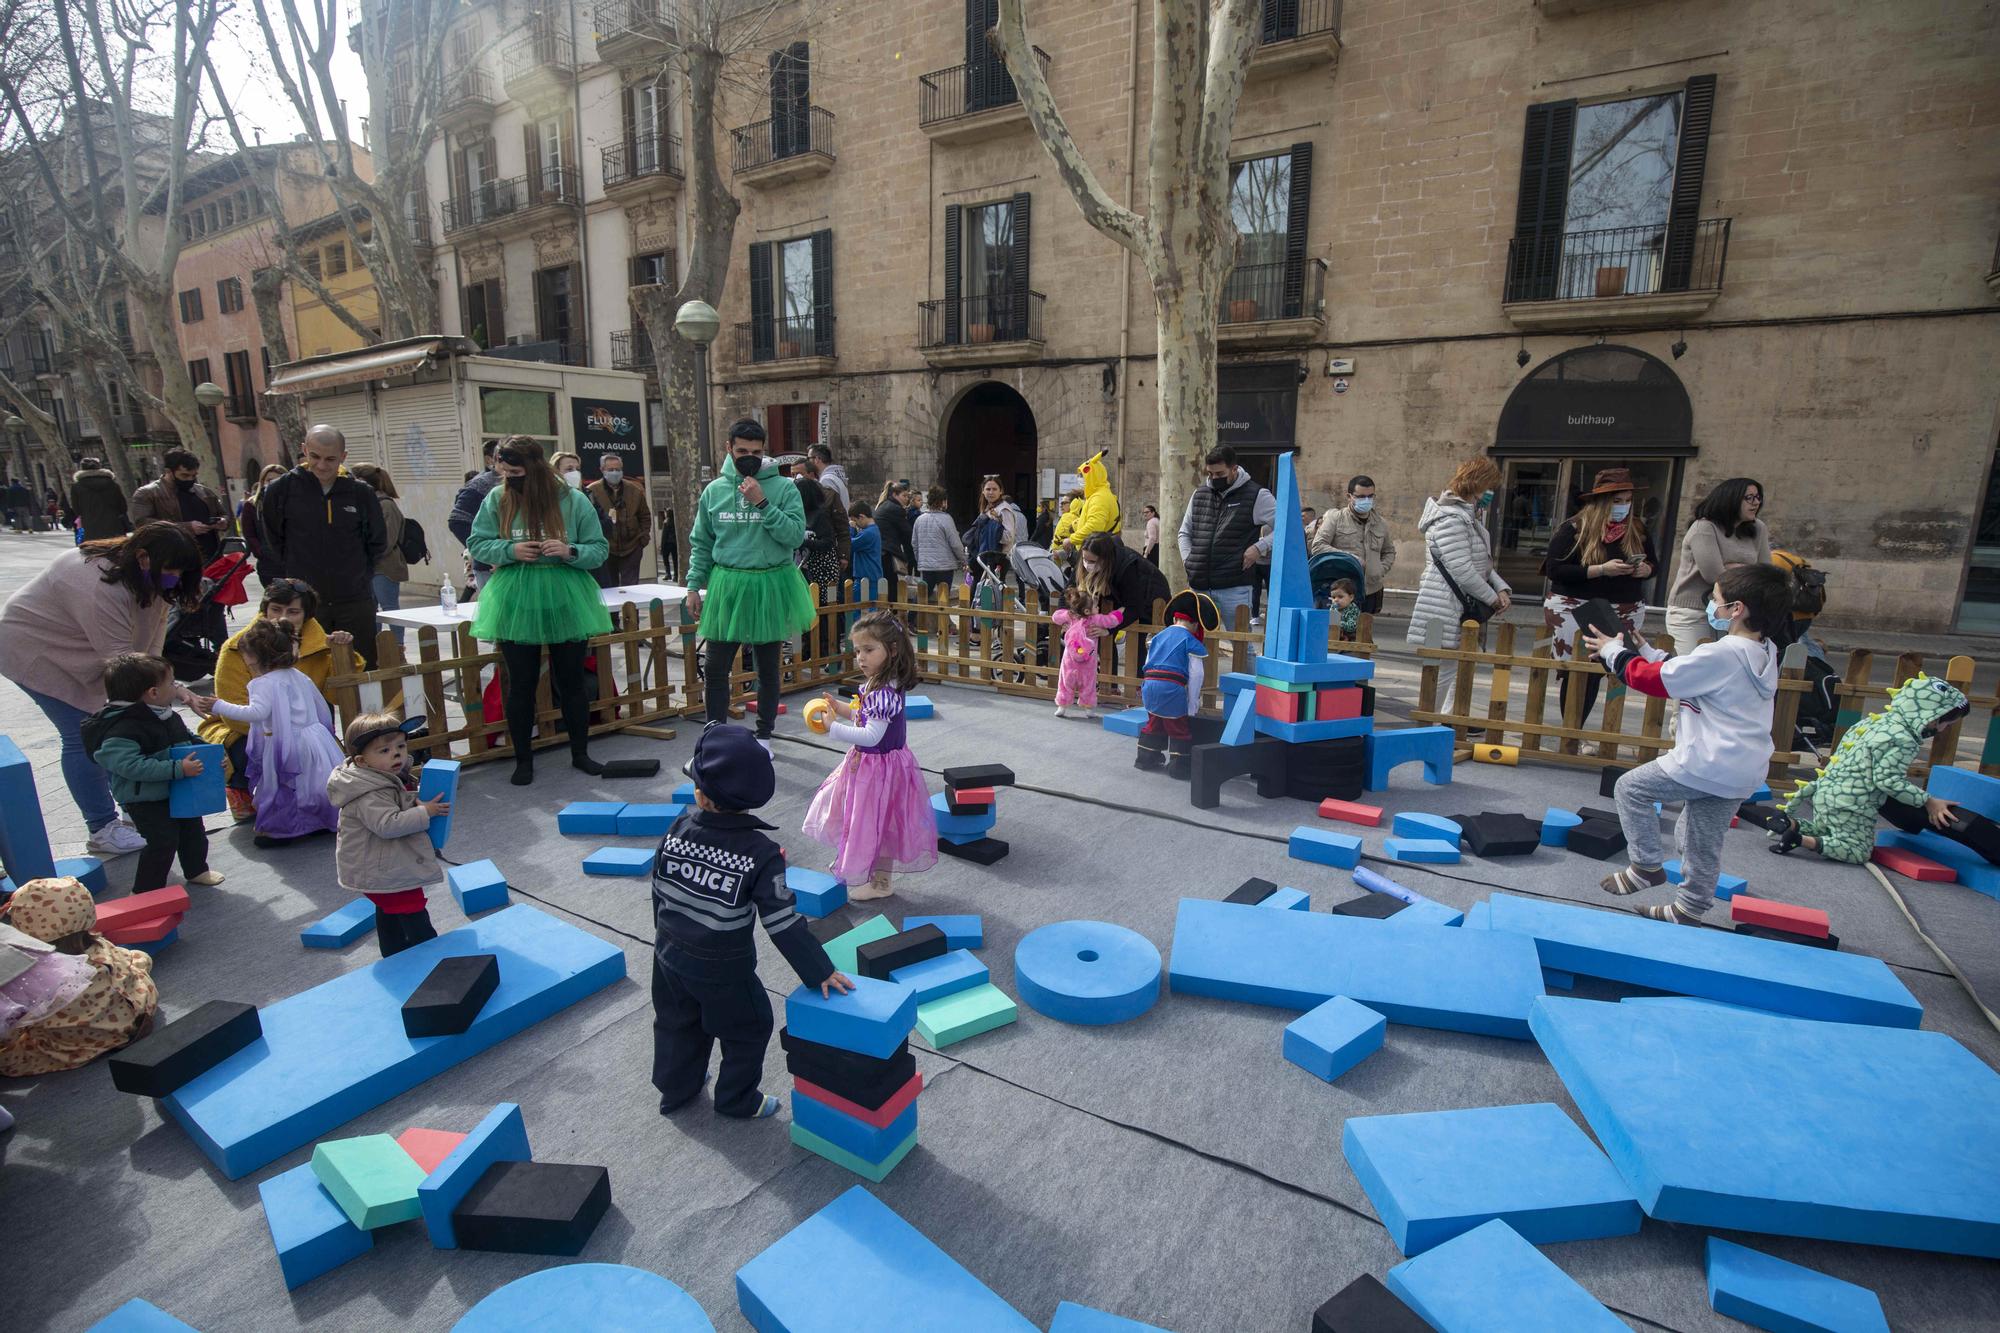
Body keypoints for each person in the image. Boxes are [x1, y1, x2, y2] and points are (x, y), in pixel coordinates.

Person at [652, 724, 854, 1118]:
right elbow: (782, 923)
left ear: (699, 795)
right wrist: (820, 970)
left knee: (676, 1025)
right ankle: (735, 1099)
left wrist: (666, 940)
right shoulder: (760, 854)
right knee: (749, 1028)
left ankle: (676, 1090)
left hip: (669, 958)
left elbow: (659, 891)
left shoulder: (675, 831)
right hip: (724, 970)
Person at [1584, 563, 1792, 925]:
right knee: (1699, 839)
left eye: (1716, 601)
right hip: (1742, 769)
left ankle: (1646, 866)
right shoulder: (1765, 650)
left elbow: (1657, 682)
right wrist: (1647, 652)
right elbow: (1689, 674)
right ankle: (1690, 909)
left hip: (1707, 761)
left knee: (1630, 789)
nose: (1712, 607)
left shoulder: (1724, 652)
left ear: (1737, 609)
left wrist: (1612, 653)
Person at [0, 524, 203, 858]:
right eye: (170, 569)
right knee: (86, 735)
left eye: (182, 571)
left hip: (88, 650)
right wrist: (173, 691)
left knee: (129, 721)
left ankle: (135, 807)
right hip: (35, 651)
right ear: (142, 558)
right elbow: (124, 662)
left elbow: (151, 646)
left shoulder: (149, 576)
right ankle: (102, 827)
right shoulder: (95, 586)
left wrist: (165, 683)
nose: (175, 577)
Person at [467, 437, 613, 784]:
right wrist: (510, 550)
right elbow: (477, 542)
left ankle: (580, 753)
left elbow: (599, 549)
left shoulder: (573, 500)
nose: (510, 478)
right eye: (504, 472)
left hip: (565, 594)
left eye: (516, 472)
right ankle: (524, 760)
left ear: (535, 467)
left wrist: (569, 550)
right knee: (520, 683)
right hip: (517, 597)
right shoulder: (497, 498)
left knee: (572, 680)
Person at [1760, 674, 1996, 865]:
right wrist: (1928, 801)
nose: (1943, 730)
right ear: (1931, 717)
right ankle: (1800, 839)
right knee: (1857, 851)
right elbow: (1888, 781)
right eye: (1946, 723)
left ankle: (1791, 824)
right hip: (1854, 802)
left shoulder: (1872, 722)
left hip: (1828, 791)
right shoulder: (1903, 738)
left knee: (1827, 829)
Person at [681, 422, 817, 744]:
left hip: (769, 584)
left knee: (767, 670)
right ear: (729, 448)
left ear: (764, 450)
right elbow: (701, 543)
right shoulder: (714, 491)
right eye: (742, 451)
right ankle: (714, 736)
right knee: (715, 669)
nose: (749, 457)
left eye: (756, 452)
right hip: (727, 584)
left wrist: (762, 503)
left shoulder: (784, 489)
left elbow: (795, 536)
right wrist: (692, 586)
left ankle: (764, 736)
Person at [803, 611, 938, 900]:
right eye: (857, 651)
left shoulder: (882, 693)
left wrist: (834, 728)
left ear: (892, 650)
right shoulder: (883, 684)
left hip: (878, 769)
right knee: (878, 822)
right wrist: (843, 710)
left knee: (875, 823)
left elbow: (871, 735)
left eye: (868, 650)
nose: (861, 658)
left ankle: (879, 883)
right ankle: (877, 878)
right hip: (879, 765)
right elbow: (867, 719)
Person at [199, 579, 352, 824]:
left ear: (306, 616)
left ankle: (297, 818)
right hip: (250, 730)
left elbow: (333, 698)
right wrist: (285, 734)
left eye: (293, 611)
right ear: (265, 610)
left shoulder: (319, 647)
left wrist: (340, 653)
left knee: (305, 771)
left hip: (299, 730)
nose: (282, 617)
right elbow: (239, 713)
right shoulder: (240, 646)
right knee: (261, 757)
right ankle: (240, 788)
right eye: (276, 609)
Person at [81, 654, 223, 892]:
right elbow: (130, 766)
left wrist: (211, 755)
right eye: (172, 683)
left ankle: (197, 869)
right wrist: (177, 769)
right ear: (153, 692)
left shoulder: (166, 714)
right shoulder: (122, 727)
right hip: (145, 799)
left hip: (178, 789)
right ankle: (147, 889)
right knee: (163, 842)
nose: (176, 688)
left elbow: (187, 739)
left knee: (193, 832)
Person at [0, 876, 158, 1077]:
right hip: (134, 1013)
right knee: (135, 960)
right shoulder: (98, 945)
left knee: (9, 1055)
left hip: (80, 1046)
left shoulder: (38, 978)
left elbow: (15, 1022)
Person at [258, 425, 388, 668]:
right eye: (314, 456)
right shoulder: (281, 491)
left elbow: (377, 541)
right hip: (303, 602)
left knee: (363, 668)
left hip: (354, 599)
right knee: (309, 671)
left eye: (330, 459)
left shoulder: (360, 493)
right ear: (304, 450)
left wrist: (358, 574)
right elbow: (273, 541)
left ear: (343, 457)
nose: (322, 465)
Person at [1542, 468, 1659, 729]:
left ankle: (1581, 729)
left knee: (1604, 670)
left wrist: (1645, 569)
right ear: (1601, 502)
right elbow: (1555, 570)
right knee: (1578, 672)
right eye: (1617, 501)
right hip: (1578, 606)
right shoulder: (1574, 528)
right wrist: (1601, 569)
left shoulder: (1637, 529)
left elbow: (1655, 564)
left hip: (1623, 606)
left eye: (1628, 500)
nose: (1624, 506)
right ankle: (1572, 728)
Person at [327, 712, 451, 957]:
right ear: (362, 761)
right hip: (382, 868)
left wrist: (413, 802)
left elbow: (395, 803)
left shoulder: (382, 777)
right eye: (384, 750)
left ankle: (394, 955)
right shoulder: (368, 793)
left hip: (383, 866)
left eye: (400, 746)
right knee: (412, 911)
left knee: (390, 911)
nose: (396, 754)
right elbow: (388, 824)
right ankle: (435, 958)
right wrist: (424, 813)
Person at [1409, 458, 1511, 701]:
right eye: (1488, 486)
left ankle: (1445, 721)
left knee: (1454, 668)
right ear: (1476, 483)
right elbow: (1461, 569)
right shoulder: (1451, 519)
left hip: (1456, 604)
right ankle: (1431, 725)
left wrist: (1501, 588)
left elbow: (1480, 563)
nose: (1490, 493)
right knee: (1442, 671)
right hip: (1444, 605)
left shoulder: (1466, 515)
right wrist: (1492, 598)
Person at [1666, 478, 1770, 652]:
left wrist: (1731, 567)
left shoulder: (1758, 528)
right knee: (1696, 671)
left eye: (1758, 497)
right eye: (1749, 498)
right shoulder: (1704, 527)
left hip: (1735, 614)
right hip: (1693, 612)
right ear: (1731, 499)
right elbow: (1714, 575)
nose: (1756, 503)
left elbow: (1766, 573)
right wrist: (1749, 570)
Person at [1179, 445, 1276, 628]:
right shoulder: (1199, 494)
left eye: (1220, 474)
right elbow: (1185, 532)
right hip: (1199, 584)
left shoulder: (1257, 495)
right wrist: (1188, 560)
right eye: (1210, 474)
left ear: (1234, 469)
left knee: (1241, 645)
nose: (1215, 478)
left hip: (1234, 586)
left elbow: (1287, 527)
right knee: (1197, 644)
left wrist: (1259, 547)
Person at [1135, 590, 1219, 778]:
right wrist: (1192, 702)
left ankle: (1145, 758)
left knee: (1154, 722)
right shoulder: (1190, 640)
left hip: (1149, 684)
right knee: (1179, 727)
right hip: (1171, 688)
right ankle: (1179, 768)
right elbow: (1196, 674)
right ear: (1196, 624)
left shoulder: (1158, 637)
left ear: (1174, 619)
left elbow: (1147, 662)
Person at [1310, 475, 1395, 614]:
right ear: (1349, 497)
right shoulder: (1336, 518)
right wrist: (1350, 558)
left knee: (1365, 632)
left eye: (1370, 496)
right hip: (1342, 591)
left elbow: (1389, 552)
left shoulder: (1381, 523)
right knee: (1340, 633)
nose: (1366, 500)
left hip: (1371, 590)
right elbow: (1318, 546)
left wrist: (1380, 570)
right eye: (1361, 496)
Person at [350, 464, 412, 644]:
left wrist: (368, 556)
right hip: (369, 567)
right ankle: (374, 648)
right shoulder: (366, 504)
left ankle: (399, 647)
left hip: (385, 567)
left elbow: (387, 540)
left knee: (390, 609)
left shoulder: (386, 505)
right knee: (371, 610)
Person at [128, 448, 227, 561]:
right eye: (184, 475)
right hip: (174, 558)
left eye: (194, 476)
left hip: (211, 556)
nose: (190, 479)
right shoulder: (147, 493)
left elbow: (223, 514)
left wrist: (222, 522)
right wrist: (187, 527)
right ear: (169, 472)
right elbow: (143, 524)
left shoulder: (204, 491)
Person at [796, 471, 847, 663]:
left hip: (823, 569)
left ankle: (829, 651)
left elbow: (827, 542)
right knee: (808, 612)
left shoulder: (820, 516)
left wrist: (806, 543)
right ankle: (809, 649)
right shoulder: (800, 515)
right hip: (806, 569)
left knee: (825, 613)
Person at [1051, 584, 1122, 719]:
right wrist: (1120, 612)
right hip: (1088, 661)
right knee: (1088, 684)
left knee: (1065, 682)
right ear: (1088, 611)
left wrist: (1067, 613)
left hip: (1069, 660)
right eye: (1095, 606)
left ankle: (1062, 706)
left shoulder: (1071, 617)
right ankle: (1088, 708)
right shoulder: (1095, 619)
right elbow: (1111, 620)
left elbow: (1055, 616)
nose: (1098, 608)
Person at [586, 455, 652, 587]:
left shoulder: (635, 490)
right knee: (610, 587)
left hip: (632, 546)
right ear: (602, 469)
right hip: (607, 549)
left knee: (632, 587)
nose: (614, 473)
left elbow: (644, 515)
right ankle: (613, 609)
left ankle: (632, 608)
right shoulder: (592, 491)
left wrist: (643, 539)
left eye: (618, 469)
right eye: (610, 469)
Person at [450, 439, 503, 593]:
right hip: (490, 568)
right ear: (492, 460)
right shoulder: (481, 484)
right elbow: (457, 521)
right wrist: (488, 553)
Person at [1053, 452, 1120, 557]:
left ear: (1093, 476)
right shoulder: (1099, 495)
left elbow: (1095, 526)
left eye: (1083, 476)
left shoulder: (1099, 498)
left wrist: (1072, 539)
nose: (1081, 479)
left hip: (1096, 553)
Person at [912, 484, 967, 594]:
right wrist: (964, 560)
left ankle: (912, 612)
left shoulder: (919, 520)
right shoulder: (946, 519)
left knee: (922, 596)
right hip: (944, 566)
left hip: (926, 566)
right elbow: (955, 544)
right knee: (943, 598)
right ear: (943, 502)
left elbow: (914, 544)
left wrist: (920, 560)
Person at [239, 463, 287, 571]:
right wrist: (261, 551)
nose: (273, 483)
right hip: (268, 564)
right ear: (262, 482)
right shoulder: (252, 505)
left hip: (293, 561)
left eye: (279, 480)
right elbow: (249, 534)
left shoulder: (292, 502)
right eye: (269, 480)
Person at [70, 457, 129, 542]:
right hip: (114, 525)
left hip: (90, 527)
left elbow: (77, 510)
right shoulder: (112, 484)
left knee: (94, 551)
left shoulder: (76, 487)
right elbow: (123, 507)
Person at [873, 480, 915, 589]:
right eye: (904, 495)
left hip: (880, 549)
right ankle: (893, 606)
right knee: (892, 586)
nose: (906, 499)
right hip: (887, 551)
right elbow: (907, 533)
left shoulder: (885, 505)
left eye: (907, 496)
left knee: (885, 583)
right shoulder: (896, 509)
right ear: (895, 495)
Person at [848, 503, 884, 603]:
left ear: (861, 517)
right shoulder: (873, 530)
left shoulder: (868, 533)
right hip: (872, 576)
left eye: (855, 521)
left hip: (866, 577)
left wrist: (851, 529)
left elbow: (850, 544)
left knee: (859, 610)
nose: (855, 524)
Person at [806, 443, 850, 511]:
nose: (808, 462)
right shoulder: (834, 476)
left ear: (817, 459)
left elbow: (829, 508)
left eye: (809, 458)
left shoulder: (827, 480)